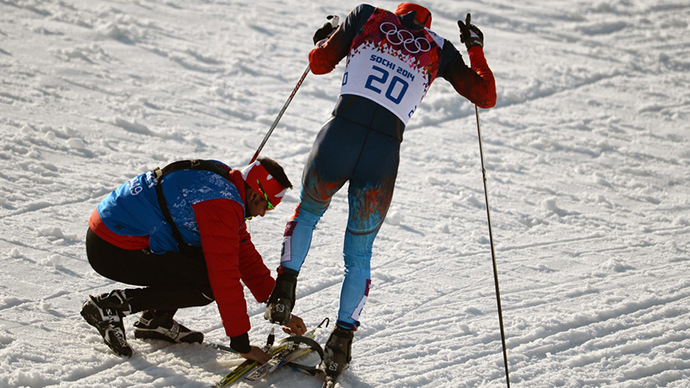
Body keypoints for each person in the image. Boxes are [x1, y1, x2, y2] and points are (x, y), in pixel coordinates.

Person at [264, 2, 496, 380]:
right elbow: (485, 96)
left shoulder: (367, 16)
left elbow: (319, 64)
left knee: (307, 213)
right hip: (383, 156)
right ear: (427, 24)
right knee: (359, 253)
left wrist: (330, 38)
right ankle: (341, 342)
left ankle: (283, 292)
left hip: (339, 137)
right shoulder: (439, 49)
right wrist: (474, 46)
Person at [80, 158, 306, 363]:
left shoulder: (225, 185)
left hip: (110, 231)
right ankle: (110, 307)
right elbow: (225, 276)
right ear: (255, 195)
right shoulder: (222, 204)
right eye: (267, 206)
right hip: (111, 247)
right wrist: (242, 344)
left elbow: (242, 253)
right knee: (208, 283)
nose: (263, 214)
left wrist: (279, 306)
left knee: (202, 256)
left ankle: (156, 320)